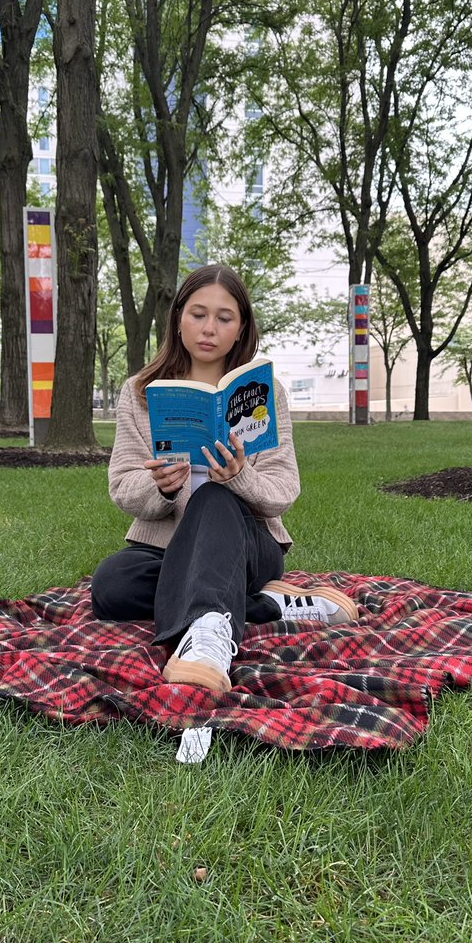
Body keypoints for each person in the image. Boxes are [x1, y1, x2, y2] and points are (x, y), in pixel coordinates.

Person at [90, 264, 358, 692]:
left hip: (249, 546)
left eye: (224, 318)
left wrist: (240, 477)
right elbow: (122, 486)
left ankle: (206, 641)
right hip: (167, 546)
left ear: (241, 329)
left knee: (214, 495)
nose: (209, 328)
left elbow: (284, 489)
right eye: (198, 314)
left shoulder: (265, 393)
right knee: (112, 585)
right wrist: (160, 487)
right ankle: (270, 605)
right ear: (178, 319)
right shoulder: (139, 392)